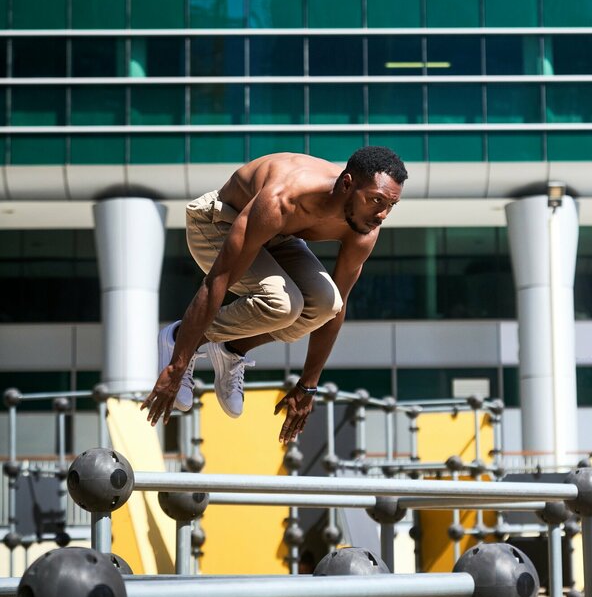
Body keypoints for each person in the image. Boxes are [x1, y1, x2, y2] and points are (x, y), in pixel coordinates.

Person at [141, 146, 407, 444]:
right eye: (375, 200)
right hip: (217, 224)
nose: (382, 214)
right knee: (283, 305)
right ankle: (179, 339)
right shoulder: (284, 197)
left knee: (326, 304)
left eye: (391, 205)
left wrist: (308, 386)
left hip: (278, 238)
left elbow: (337, 307)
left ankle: (231, 349)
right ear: (347, 184)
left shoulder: (365, 228)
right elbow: (217, 280)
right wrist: (177, 364)